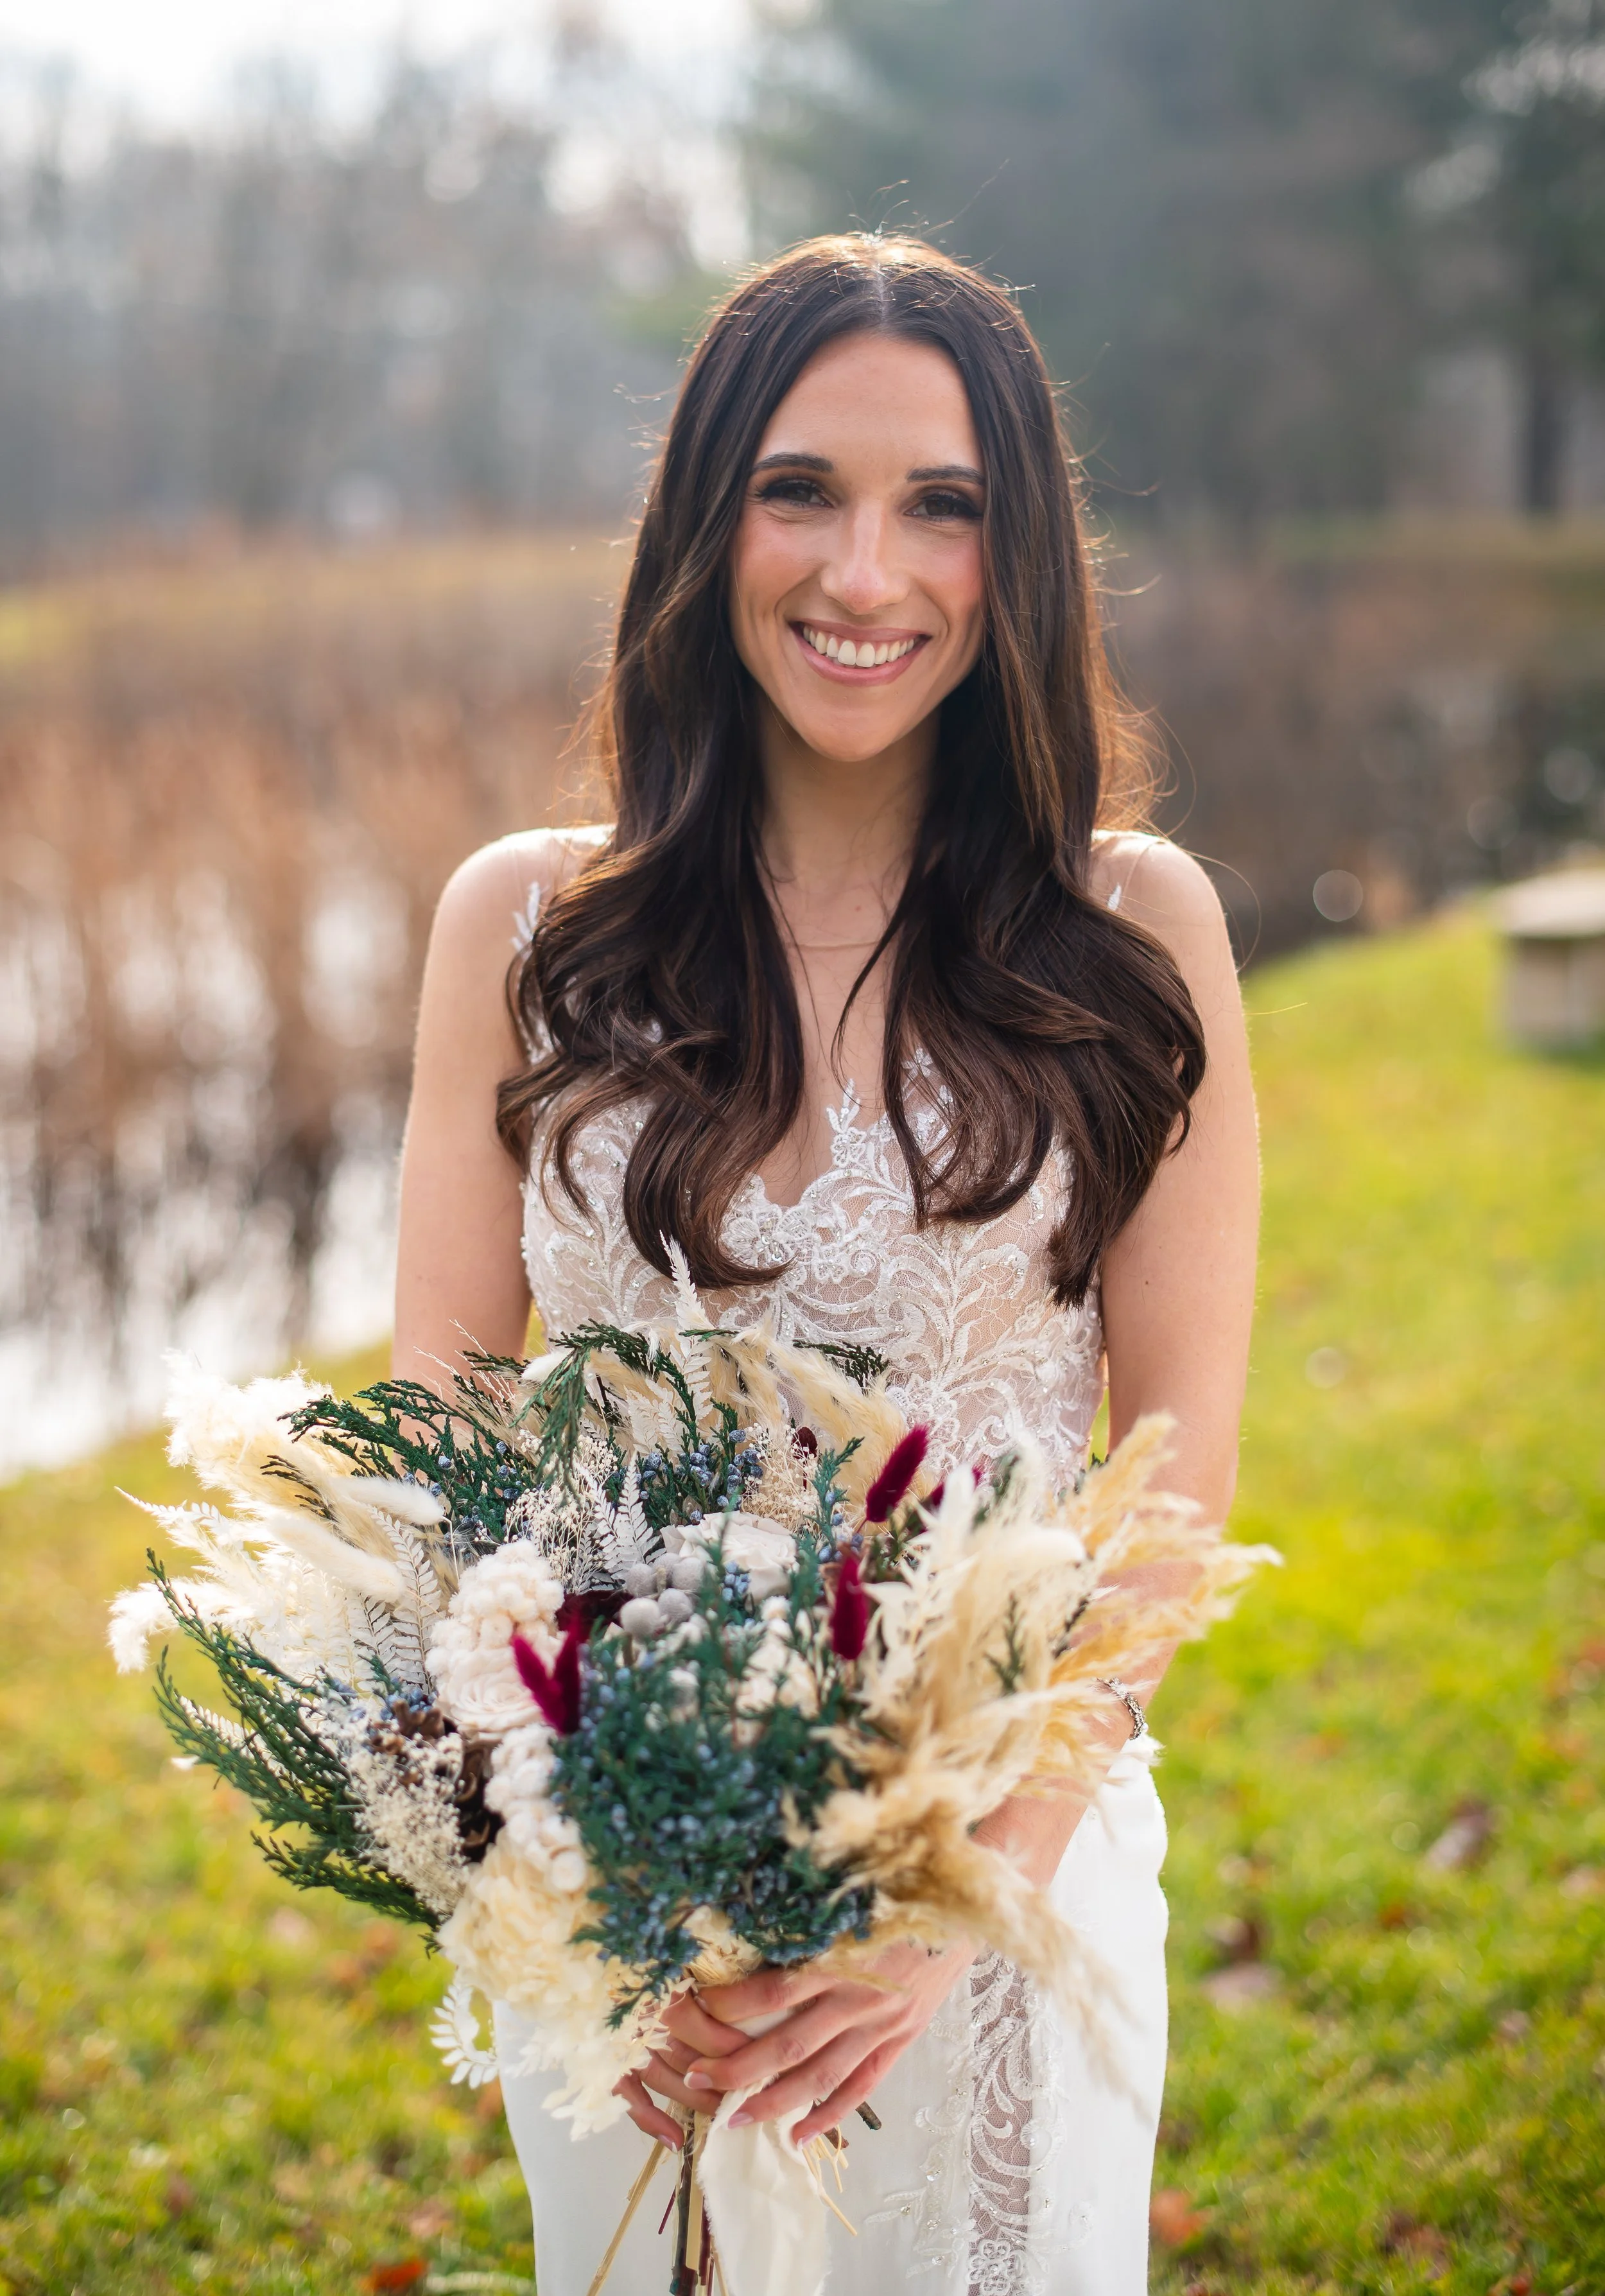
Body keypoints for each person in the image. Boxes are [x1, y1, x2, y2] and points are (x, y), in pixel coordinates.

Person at [392, 233, 1258, 2296]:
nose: (865, 576)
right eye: (802, 490)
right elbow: (442, 1416)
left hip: (997, 1874)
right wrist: (581, 1854)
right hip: (619, 1896)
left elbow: (1175, 1470)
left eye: (938, 507)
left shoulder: (1129, 931)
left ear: (1014, 553)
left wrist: (960, 1884)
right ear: (706, 520)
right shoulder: (521, 931)